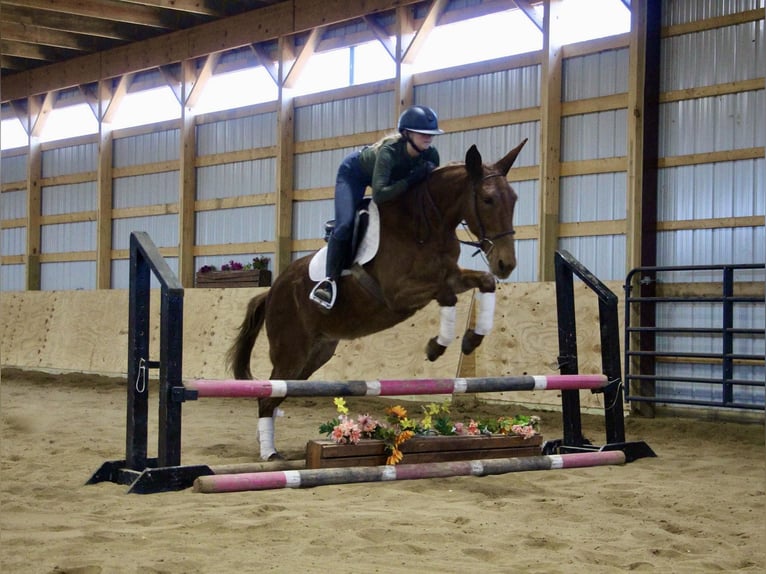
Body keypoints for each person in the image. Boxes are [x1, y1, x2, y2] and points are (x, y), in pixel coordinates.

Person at [310, 105, 444, 310]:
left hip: (388, 180)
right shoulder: (389, 152)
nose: (429, 137)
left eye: (431, 134)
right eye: (423, 133)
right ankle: (329, 282)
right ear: (407, 133)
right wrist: (412, 178)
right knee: (345, 224)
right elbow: (380, 196)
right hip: (354, 174)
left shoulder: (431, 155)